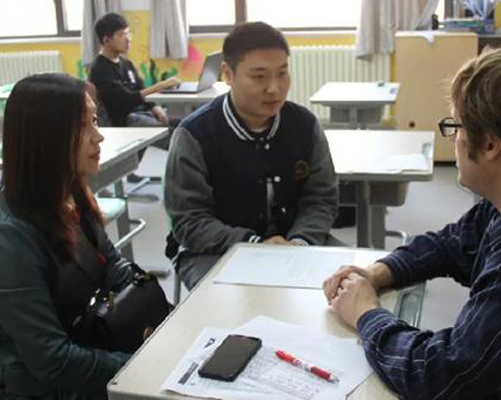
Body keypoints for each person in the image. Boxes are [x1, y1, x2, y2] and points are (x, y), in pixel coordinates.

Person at [323, 46, 501, 399]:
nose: (453, 139)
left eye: (455, 126)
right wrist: (378, 272)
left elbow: (444, 375)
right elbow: (454, 243)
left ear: (491, 144)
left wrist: (365, 313)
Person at [164, 22, 339, 290]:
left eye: (282, 73)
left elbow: (321, 199)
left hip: (294, 243)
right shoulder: (195, 135)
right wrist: (255, 244)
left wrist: (300, 241)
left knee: (348, 288)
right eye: (259, 76)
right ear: (228, 74)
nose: (274, 88)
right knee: (232, 307)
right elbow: (190, 221)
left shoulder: (304, 125)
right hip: (213, 250)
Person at [0, 74, 133, 399]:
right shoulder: (10, 237)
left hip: (91, 350)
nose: (99, 136)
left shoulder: (71, 194)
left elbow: (116, 271)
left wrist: (168, 320)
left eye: (95, 120)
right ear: (47, 138)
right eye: (83, 126)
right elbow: (52, 361)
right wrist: (140, 367)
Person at [88, 12, 180, 181]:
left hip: (139, 114)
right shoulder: (100, 69)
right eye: (122, 35)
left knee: (184, 124)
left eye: (128, 33)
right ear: (106, 40)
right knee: (177, 136)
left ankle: (134, 171)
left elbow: (140, 88)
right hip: (123, 121)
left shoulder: (126, 63)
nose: (128, 39)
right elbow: (127, 100)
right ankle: (183, 179)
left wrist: (155, 106)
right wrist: (161, 85)